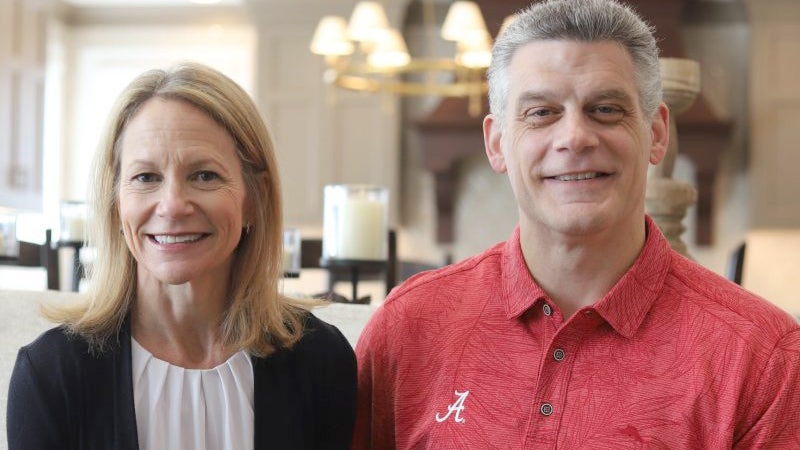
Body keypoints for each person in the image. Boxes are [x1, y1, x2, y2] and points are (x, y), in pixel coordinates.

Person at [352, 0, 800, 448]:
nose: (575, 138)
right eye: (541, 112)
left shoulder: (763, 358)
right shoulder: (409, 327)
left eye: (606, 109)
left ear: (657, 134)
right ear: (496, 143)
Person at [7, 62, 356, 449]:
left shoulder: (320, 361)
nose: (172, 206)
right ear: (115, 203)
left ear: (254, 199)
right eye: (146, 177)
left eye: (204, 175)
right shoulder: (51, 372)